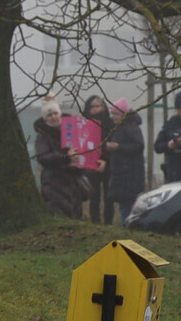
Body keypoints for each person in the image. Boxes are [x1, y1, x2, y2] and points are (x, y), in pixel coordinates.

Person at [32, 97, 84, 219]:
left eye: (55, 113)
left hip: (73, 180)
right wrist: (64, 157)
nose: (53, 117)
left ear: (60, 114)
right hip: (53, 183)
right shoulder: (43, 136)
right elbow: (43, 157)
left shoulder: (73, 131)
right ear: (45, 118)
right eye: (49, 115)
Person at [102, 98, 145, 225]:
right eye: (112, 114)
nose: (113, 117)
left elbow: (139, 146)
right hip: (121, 175)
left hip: (130, 176)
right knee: (124, 206)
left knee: (128, 207)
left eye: (116, 114)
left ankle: (128, 228)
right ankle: (126, 227)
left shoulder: (132, 127)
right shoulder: (118, 128)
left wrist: (118, 147)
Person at [80, 95, 114, 223]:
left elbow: (112, 143)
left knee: (108, 197)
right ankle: (95, 222)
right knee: (94, 197)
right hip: (90, 164)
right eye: (92, 107)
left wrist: (105, 160)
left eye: (98, 106)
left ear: (103, 107)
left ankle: (108, 223)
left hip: (107, 164)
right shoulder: (84, 124)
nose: (95, 109)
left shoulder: (109, 123)